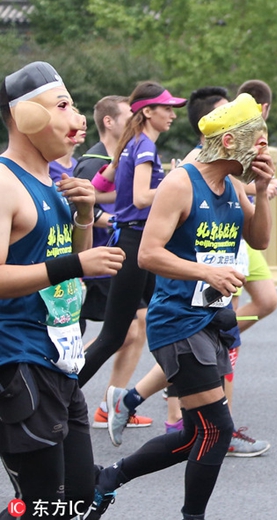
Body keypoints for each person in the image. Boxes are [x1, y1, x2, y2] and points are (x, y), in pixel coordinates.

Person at [93, 92, 274, 520]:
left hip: (213, 319)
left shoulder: (231, 184)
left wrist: (263, 192)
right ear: (230, 143)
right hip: (177, 321)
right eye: (260, 140)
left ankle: (109, 478)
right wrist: (205, 272)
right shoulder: (180, 183)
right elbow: (148, 254)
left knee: (195, 432)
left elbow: (259, 240)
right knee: (218, 427)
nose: (266, 148)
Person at [0, 61, 125, 520]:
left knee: (77, 500)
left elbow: (74, 263)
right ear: (23, 117)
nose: (76, 121)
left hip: (61, 360)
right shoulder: (4, 184)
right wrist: (75, 262)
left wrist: (85, 213)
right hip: (19, 361)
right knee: (44, 507)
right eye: (63, 105)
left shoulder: (54, 184)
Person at [77, 82, 186, 388]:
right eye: (166, 108)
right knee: (114, 336)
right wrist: (178, 185)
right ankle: (61, 395)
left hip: (130, 239)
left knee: (170, 321)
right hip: (136, 243)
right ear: (147, 112)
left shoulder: (129, 144)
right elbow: (140, 198)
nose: (172, 115)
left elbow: (99, 191)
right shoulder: (145, 147)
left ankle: (179, 398)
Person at [72, 95, 155, 431]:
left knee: (134, 328)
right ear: (109, 121)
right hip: (100, 258)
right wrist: (115, 219)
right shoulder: (94, 163)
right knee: (123, 331)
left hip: (118, 257)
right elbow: (85, 205)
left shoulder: (122, 157)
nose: (135, 119)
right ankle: (67, 383)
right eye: (128, 115)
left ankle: (110, 404)